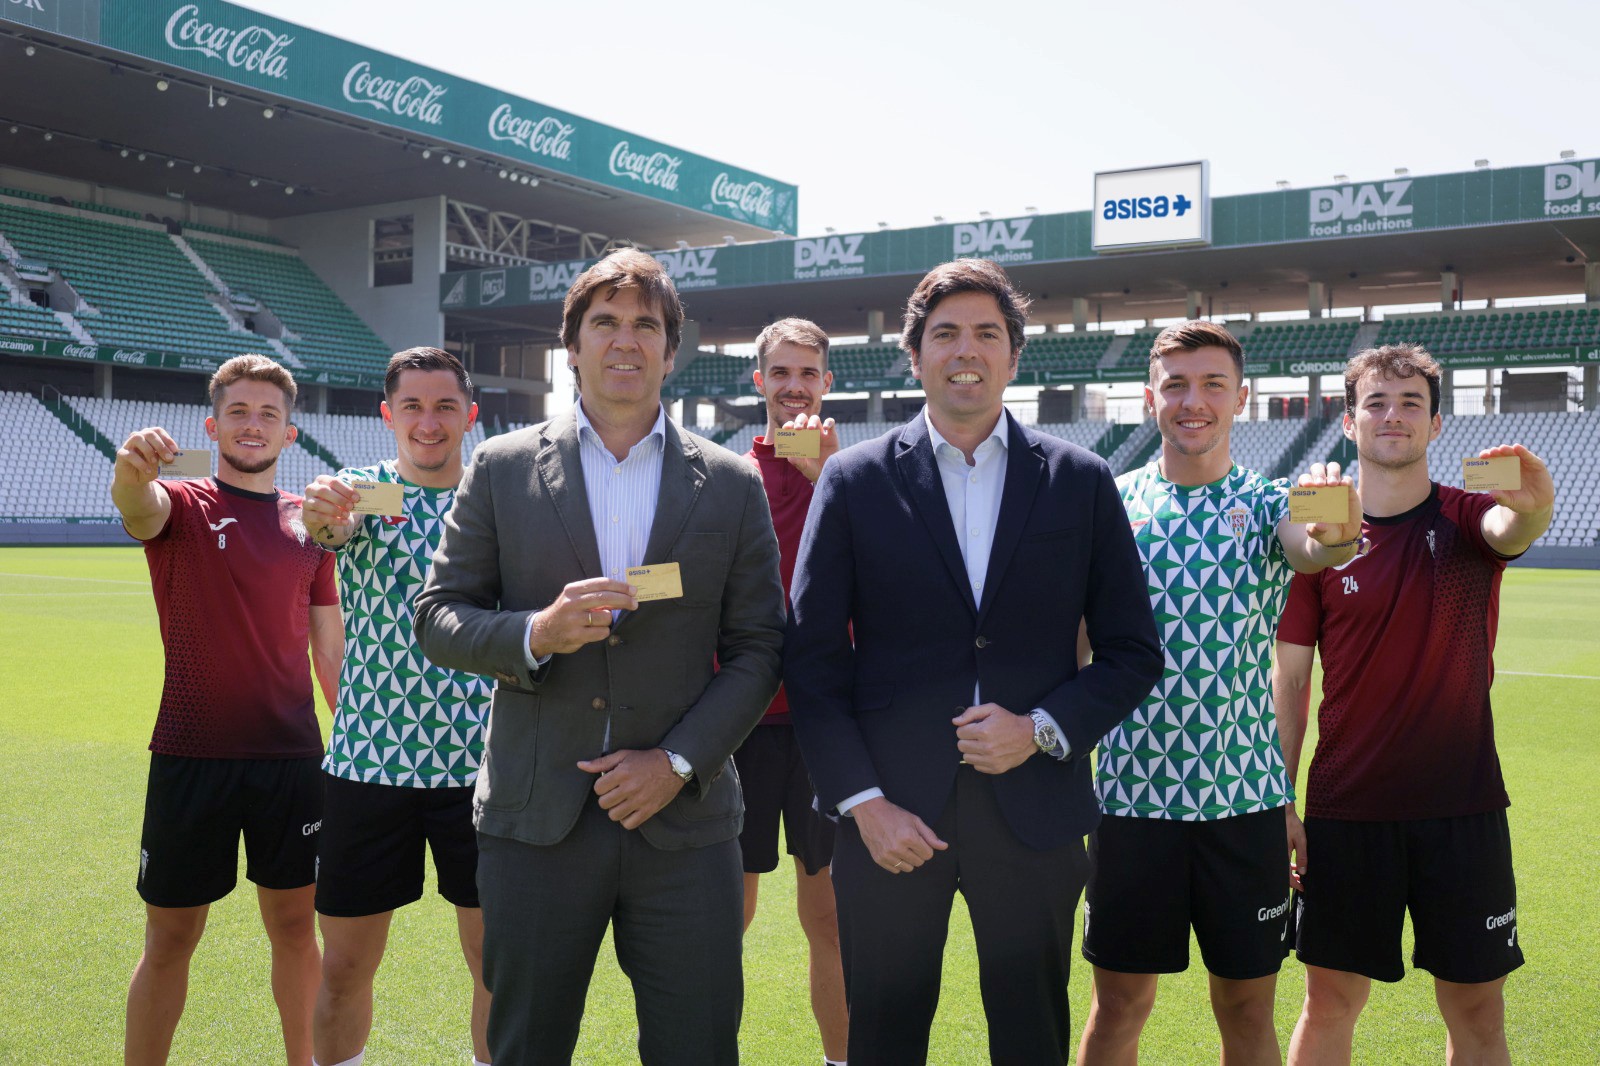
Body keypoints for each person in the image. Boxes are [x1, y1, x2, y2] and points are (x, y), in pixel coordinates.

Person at [785, 258, 1164, 1066]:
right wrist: (864, 804)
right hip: (891, 820)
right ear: (914, 354)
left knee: (1032, 1042)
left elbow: (1133, 652)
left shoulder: (1081, 480)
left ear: (1013, 356)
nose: (967, 350)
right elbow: (812, 661)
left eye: (987, 333)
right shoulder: (853, 480)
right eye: (946, 333)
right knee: (883, 1043)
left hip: (1035, 813)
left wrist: (1042, 728)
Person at [413, 248, 785, 1066]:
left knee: (698, 1050)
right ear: (572, 346)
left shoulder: (730, 483)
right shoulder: (503, 467)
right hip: (537, 823)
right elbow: (438, 617)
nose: (625, 339)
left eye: (645, 325)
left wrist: (677, 763)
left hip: (684, 825)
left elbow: (760, 648)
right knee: (527, 1048)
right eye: (605, 322)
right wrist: (535, 634)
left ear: (670, 350)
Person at [1076, 321, 1363, 1066]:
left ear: (1241, 398)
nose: (1193, 401)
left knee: (1245, 1009)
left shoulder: (1269, 502)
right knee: (1119, 1006)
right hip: (1132, 800)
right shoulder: (1111, 505)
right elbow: (1077, 648)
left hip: (1244, 804)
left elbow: (1314, 547)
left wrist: (1335, 530)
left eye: (1212, 385)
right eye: (1175, 385)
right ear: (1150, 398)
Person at [1274, 343, 1554, 1066]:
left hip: (1462, 806)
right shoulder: (1319, 537)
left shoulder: (1468, 516)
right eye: (1376, 402)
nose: (1392, 415)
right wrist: (1282, 800)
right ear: (1349, 421)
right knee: (1329, 1002)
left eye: (1410, 404)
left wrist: (1535, 510)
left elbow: (1510, 529)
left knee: (1478, 1010)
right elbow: (1292, 681)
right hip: (1346, 810)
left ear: (1435, 426)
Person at [112, 353, 341, 1066]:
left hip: (292, 760)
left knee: (297, 929)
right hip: (191, 752)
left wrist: (357, 738)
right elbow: (137, 506)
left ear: (290, 433)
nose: (252, 424)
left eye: (269, 414)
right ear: (212, 426)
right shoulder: (181, 503)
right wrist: (130, 470)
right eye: (238, 411)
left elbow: (329, 650)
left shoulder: (311, 527)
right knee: (170, 938)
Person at [300, 347, 494, 1066]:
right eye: (412, 405)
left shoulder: (499, 495)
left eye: (445, 406)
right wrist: (323, 517)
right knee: (345, 968)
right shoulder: (363, 492)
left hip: (483, 768)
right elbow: (328, 527)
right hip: (370, 765)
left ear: (470, 415)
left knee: (496, 965)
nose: (429, 421)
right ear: (388, 415)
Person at [738, 318, 848, 1066]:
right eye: (781, 372)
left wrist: (826, 475)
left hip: (824, 722)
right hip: (740, 719)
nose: (795, 387)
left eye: (808, 373)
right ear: (760, 382)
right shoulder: (725, 475)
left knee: (832, 919)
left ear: (827, 383)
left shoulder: (858, 474)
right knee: (724, 916)